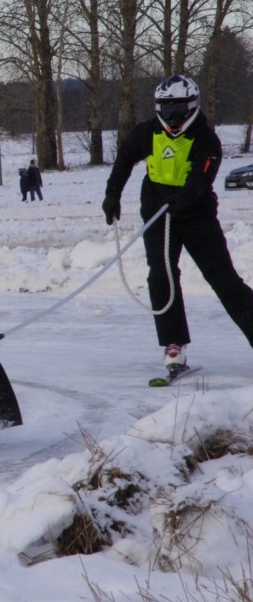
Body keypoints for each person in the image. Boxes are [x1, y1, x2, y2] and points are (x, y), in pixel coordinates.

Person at [102, 74, 253, 376]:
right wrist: (112, 195)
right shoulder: (146, 132)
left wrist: (183, 198)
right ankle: (174, 344)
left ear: (192, 106)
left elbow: (201, 178)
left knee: (223, 278)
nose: (173, 115)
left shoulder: (206, 139)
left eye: (179, 108)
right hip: (157, 212)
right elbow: (124, 161)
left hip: (196, 214)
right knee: (161, 276)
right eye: (167, 108)